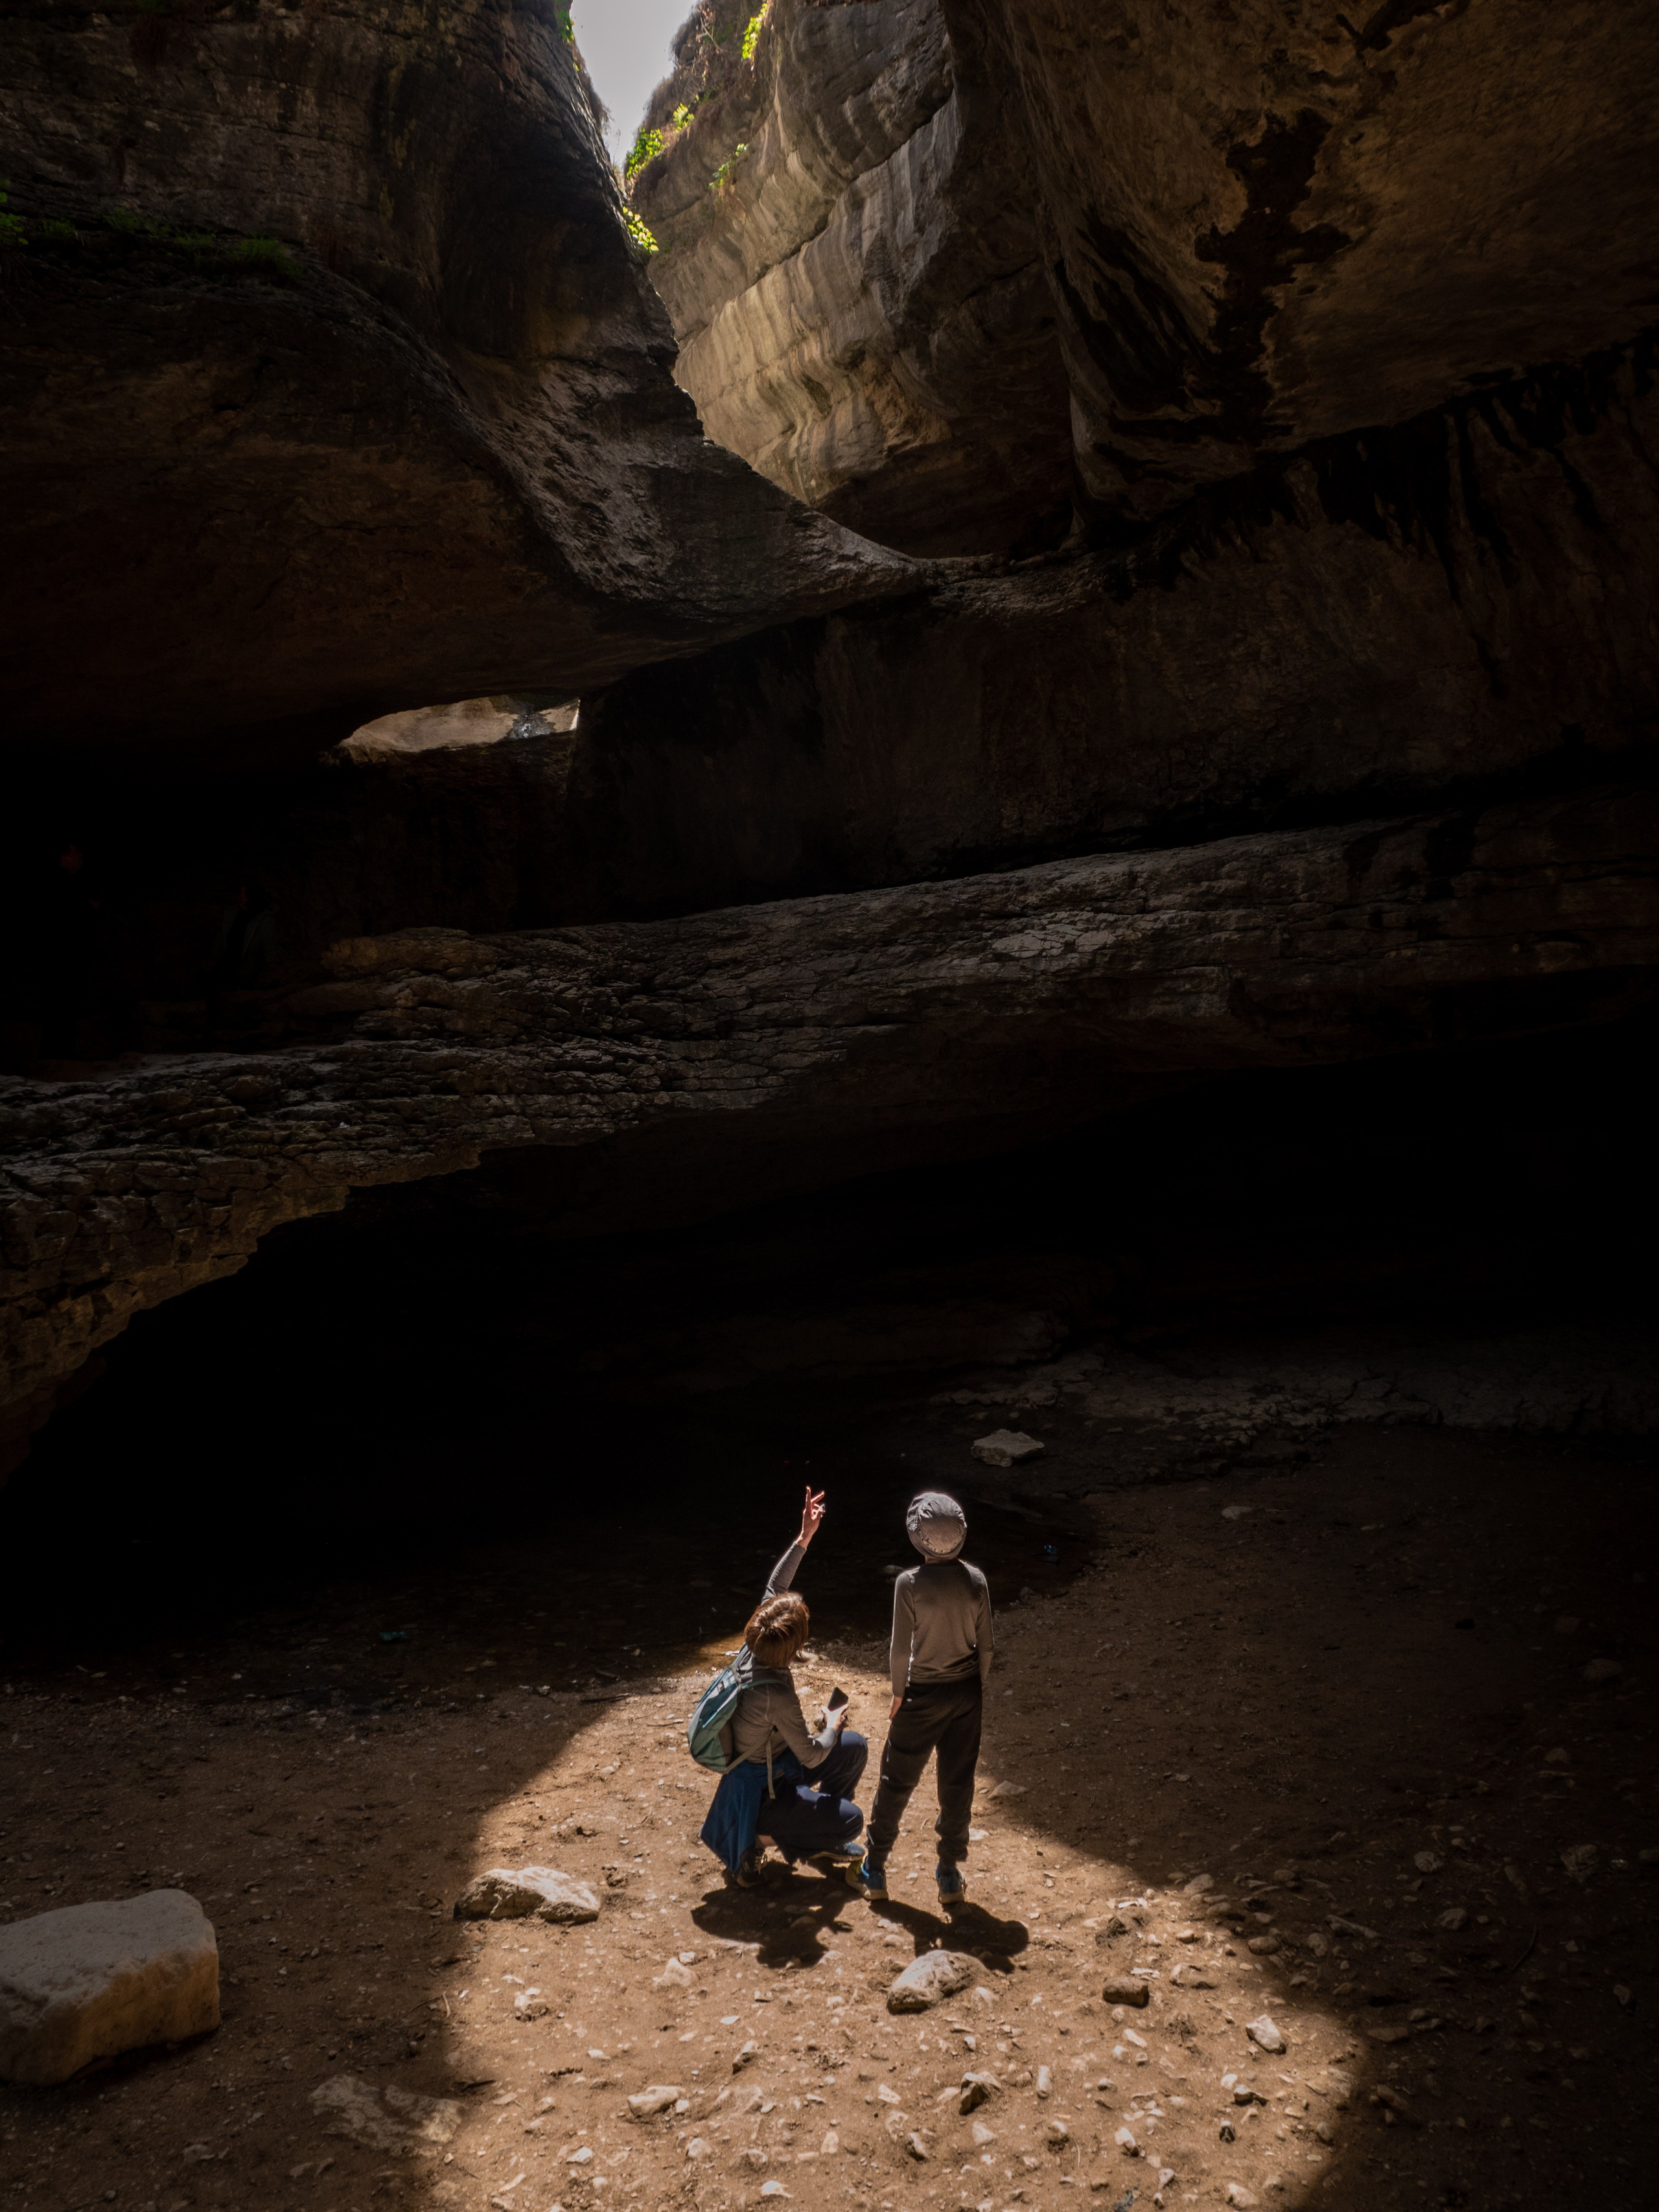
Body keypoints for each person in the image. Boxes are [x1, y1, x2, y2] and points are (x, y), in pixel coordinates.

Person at [699, 1486, 869, 1889]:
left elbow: (775, 1587)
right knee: (853, 1820)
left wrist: (804, 1535)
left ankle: (815, 1829)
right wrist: (830, 1723)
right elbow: (811, 1756)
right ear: (795, 1647)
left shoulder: (754, 1644)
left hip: (772, 1766)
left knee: (855, 1748)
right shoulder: (775, 1695)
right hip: (763, 1790)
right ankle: (756, 1838)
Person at [854, 1489, 993, 1909]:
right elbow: (986, 1647)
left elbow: (900, 1649)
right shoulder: (976, 1580)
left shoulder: (908, 1584)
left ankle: (875, 1867)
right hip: (966, 1692)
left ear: (918, 1538)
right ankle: (949, 1874)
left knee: (897, 1779)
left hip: (922, 1693)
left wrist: (899, 1692)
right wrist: (973, 1686)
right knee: (957, 1784)